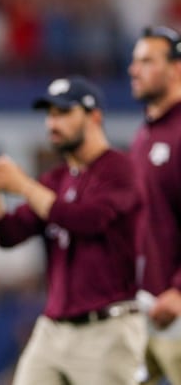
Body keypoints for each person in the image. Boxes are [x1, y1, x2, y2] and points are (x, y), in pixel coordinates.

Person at [0, 76, 146, 385]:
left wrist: (23, 185)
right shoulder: (57, 179)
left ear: (95, 117)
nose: (53, 122)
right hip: (53, 327)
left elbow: (87, 220)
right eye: (50, 114)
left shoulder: (121, 168)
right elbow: (8, 234)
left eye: (64, 113)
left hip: (107, 327)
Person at [128, 25, 181, 385]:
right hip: (147, 306)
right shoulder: (145, 135)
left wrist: (179, 289)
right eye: (134, 61)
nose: (134, 69)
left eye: (147, 61)